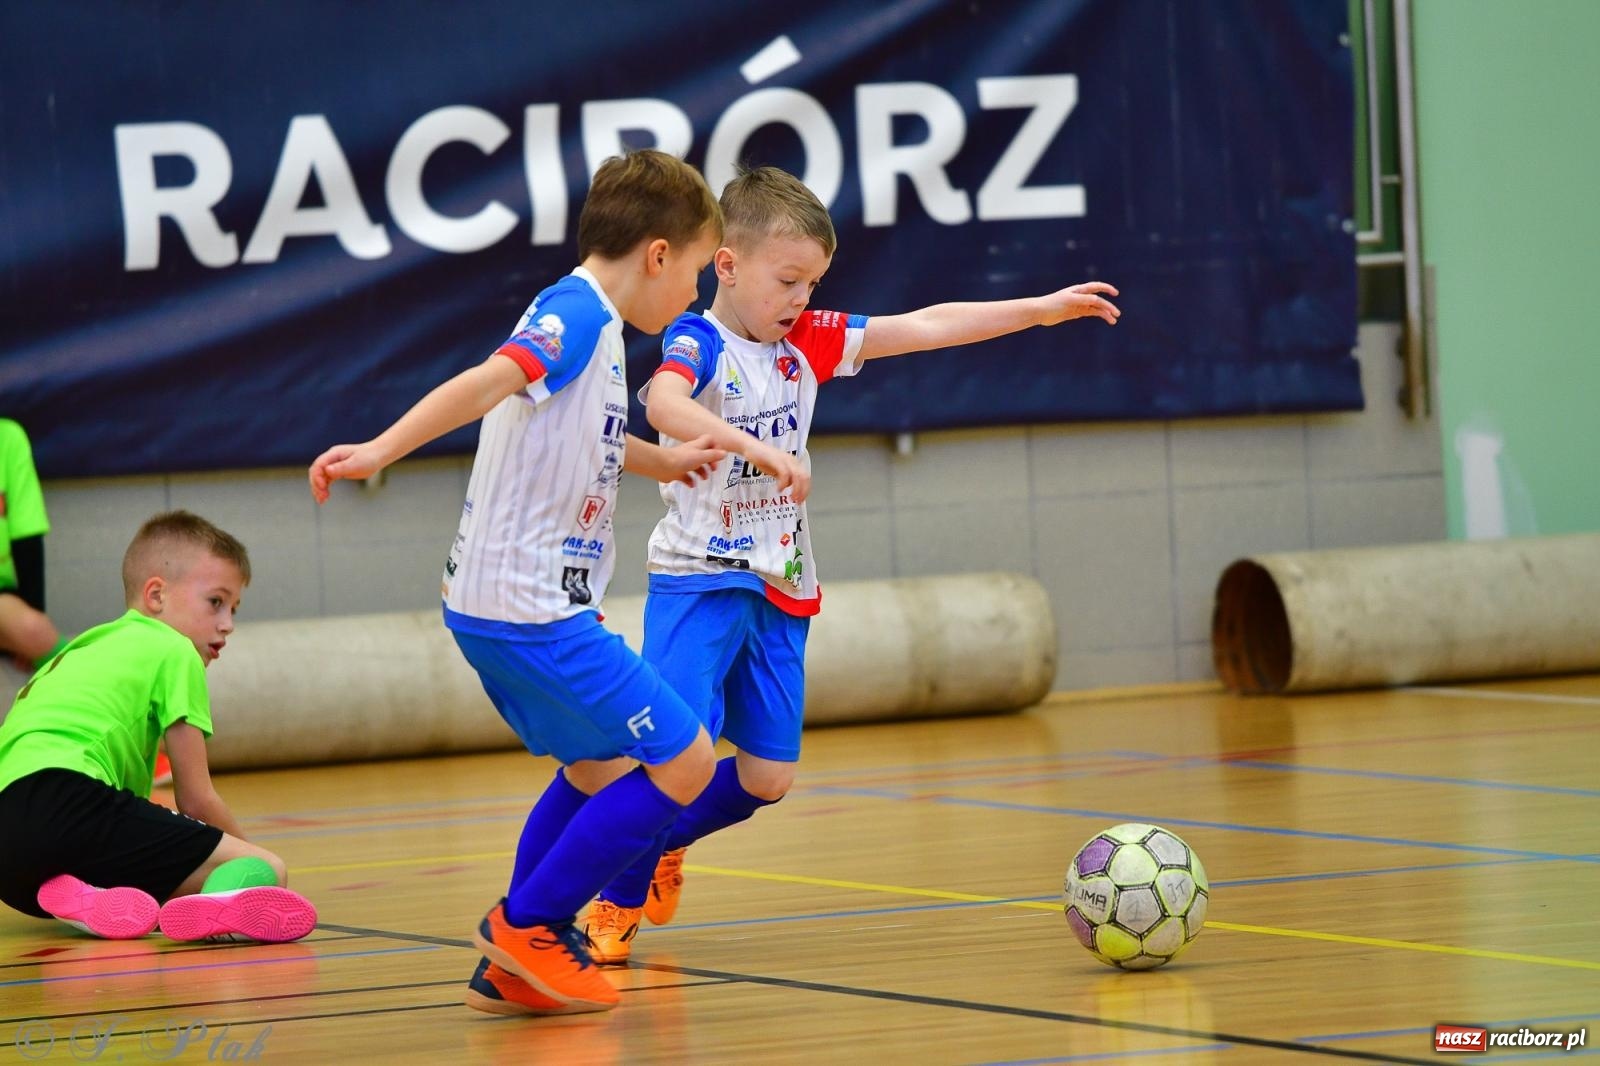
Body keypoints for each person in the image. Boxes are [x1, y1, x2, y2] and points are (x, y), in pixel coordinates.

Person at [579, 165, 1121, 964]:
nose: (800, 299)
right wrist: (754, 447)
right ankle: (615, 899)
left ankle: (668, 844)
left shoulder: (808, 341)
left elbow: (925, 326)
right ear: (727, 265)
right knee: (676, 758)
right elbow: (663, 404)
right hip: (700, 578)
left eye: (813, 284)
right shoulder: (698, 339)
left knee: (766, 779)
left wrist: (1038, 311)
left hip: (783, 585)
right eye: (787, 280)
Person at [307, 149, 734, 1017]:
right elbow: (486, 383)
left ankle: (514, 965)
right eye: (694, 273)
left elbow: (586, 434)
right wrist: (381, 450)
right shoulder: (574, 313)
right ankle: (528, 926)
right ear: (657, 254)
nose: (693, 297)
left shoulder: (593, 326)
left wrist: (664, 462)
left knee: (598, 766)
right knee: (687, 759)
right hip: (530, 611)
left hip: (500, 607)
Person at [0, 510, 317, 943]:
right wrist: (250, 855)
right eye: (216, 602)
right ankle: (216, 907)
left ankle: (84, 900)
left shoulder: (79, 649)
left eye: (234, 609)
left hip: (11, 859)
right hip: (68, 796)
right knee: (265, 868)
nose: (228, 624)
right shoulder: (174, 648)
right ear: (156, 595)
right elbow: (196, 798)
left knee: (137, 875)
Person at [0, 418, 67, 671]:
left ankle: (100, 685)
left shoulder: (8, 437)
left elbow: (27, 537)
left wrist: (34, 613)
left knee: (33, 629)